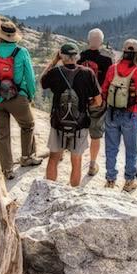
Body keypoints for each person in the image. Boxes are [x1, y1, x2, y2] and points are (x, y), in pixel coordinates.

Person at [0, 20, 42, 179]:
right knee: (28, 125)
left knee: (2, 134)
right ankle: (27, 157)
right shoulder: (21, 52)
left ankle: (7, 169)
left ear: (0, 37)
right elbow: (29, 77)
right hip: (18, 97)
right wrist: (29, 95)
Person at [40, 43, 102, 187]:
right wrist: (87, 105)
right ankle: (73, 194)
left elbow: (42, 82)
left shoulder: (55, 72)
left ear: (62, 55)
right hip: (80, 124)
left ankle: (49, 191)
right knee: (77, 160)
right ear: (76, 56)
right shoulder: (88, 73)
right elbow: (98, 101)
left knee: (54, 157)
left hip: (58, 122)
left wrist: (54, 61)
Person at [101, 38, 137, 192]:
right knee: (131, 150)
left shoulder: (113, 69)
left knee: (111, 148)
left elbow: (104, 91)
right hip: (130, 114)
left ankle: (110, 179)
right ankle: (129, 181)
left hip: (112, 113)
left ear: (123, 52)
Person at [78, 28, 114, 177]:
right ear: (101, 42)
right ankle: (92, 164)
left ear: (88, 41)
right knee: (96, 134)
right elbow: (109, 82)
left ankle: (77, 163)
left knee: (79, 133)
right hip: (98, 101)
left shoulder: (79, 58)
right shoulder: (107, 61)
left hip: (80, 100)